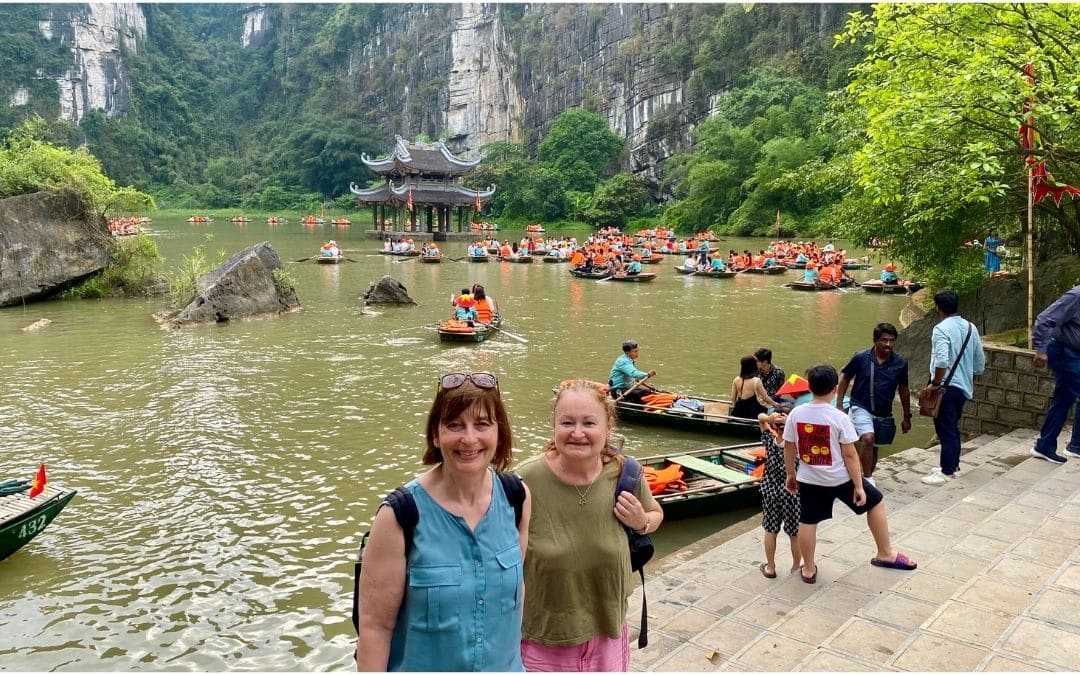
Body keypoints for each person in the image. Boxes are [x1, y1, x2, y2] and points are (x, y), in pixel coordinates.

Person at [355, 371, 532, 671]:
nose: (469, 438)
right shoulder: (399, 517)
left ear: (499, 432)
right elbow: (375, 629)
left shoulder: (517, 499)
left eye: (482, 424)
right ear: (436, 435)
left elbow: (515, 603)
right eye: (454, 425)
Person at [518, 380, 663, 671]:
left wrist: (641, 521)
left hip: (607, 633)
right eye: (567, 422)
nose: (578, 433)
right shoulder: (524, 481)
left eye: (589, 422)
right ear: (554, 425)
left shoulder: (625, 473)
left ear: (608, 427)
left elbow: (655, 514)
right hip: (542, 641)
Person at [783, 365, 917, 584]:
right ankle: (885, 553)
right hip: (840, 478)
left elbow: (789, 446)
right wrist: (859, 486)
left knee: (808, 521)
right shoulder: (839, 417)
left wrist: (790, 474)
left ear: (810, 387)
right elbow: (850, 455)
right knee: (876, 502)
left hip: (809, 479)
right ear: (835, 389)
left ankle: (808, 569)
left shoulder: (796, 414)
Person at [921, 289, 986, 485]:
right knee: (951, 427)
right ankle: (952, 464)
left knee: (946, 429)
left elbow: (942, 361)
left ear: (938, 307)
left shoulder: (941, 329)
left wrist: (935, 384)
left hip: (945, 387)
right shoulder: (970, 328)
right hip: (963, 387)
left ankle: (946, 471)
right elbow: (980, 362)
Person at [835, 323, 911, 486]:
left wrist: (906, 416)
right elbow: (845, 378)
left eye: (892, 341)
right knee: (868, 439)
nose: (888, 345)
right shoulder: (861, 357)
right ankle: (867, 479)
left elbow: (904, 390)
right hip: (860, 405)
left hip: (883, 411)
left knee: (874, 445)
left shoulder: (900, 363)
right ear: (875, 340)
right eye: (884, 340)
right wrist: (839, 405)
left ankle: (866, 473)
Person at [1030, 284, 1080, 463]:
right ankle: (1076, 446)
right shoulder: (1076, 296)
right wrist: (1041, 350)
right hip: (1064, 352)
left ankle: (1044, 446)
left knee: (1064, 398)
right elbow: (1045, 319)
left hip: (1074, 354)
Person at [757, 408, 801, 579]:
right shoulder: (797, 443)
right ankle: (797, 566)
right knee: (794, 533)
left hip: (770, 492)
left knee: (770, 529)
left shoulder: (769, 440)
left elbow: (761, 419)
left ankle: (771, 567)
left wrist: (769, 417)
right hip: (792, 493)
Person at [608, 341, 656, 405]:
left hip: (627, 388)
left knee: (646, 391)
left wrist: (648, 386)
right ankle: (640, 409)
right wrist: (647, 374)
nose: (637, 353)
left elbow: (635, 378)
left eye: (637, 351)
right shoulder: (623, 361)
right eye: (635, 351)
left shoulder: (629, 360)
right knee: (638, 395)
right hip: (617, 390)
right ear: (628, 352)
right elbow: (634, 373)